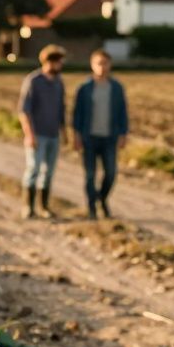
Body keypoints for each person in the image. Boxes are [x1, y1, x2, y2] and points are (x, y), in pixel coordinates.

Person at [72, 48, 129, 219]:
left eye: (105, 63)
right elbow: (77, 113)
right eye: (99, 63)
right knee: (90, 175)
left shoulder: (117, 88)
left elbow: (122, 112)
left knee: (110, 173)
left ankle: (102, 199)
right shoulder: (84, 88)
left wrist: (123, 134)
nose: (102, 67)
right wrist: (76, 135)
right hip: (89, 137)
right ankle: (91, 208)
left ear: (110, 65)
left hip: (109, 137)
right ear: (92, 65)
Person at [18, 45, 68, 219]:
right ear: (49, 62)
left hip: (53, 134)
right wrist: (29, 134)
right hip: (37, 134)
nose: (60, 65)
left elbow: (61, 109)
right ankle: (28, 207)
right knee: (33, 169)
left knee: (49, 172)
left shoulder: (58, 82)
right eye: (58, 62)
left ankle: (44, 207)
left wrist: (64, 132)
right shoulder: (33, 81)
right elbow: (24, 110)